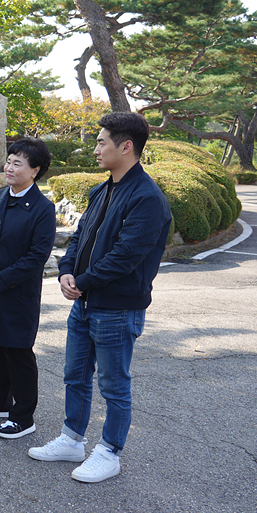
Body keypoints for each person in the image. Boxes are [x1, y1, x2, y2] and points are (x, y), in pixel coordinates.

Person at [28, 112, 171, 483]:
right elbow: (79, 237)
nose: (95, 148)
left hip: (118, 307)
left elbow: (126, 256)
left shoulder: (147, 198)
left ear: (126, 147)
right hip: (86, 302)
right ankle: (72, 439)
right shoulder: (102, 189)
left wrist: (83, 281)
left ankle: (109, 452)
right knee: (74, 375)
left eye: (101, 141)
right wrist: (65, 270)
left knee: (113, 384)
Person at [0, 137, 56, 439]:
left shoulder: (42, 208)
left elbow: (36, 257)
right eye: (9, 160)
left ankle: (23, 416)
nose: (9, 167)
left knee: (18, 353)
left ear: (35, 170)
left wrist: (0, 279)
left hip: (16, 294)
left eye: (18, 163)